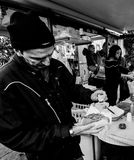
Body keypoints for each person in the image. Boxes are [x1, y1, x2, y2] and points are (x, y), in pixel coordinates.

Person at [0, 11, 107, 160]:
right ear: (18, 51)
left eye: (49, 54)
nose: (47, 62)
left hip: (72, 147)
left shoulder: (56, 66)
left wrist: (90, 95)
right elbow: (15, 136)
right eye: (38, 58)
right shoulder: (6, 81)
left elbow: (72, 89)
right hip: (44, 155)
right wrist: (66, 132)